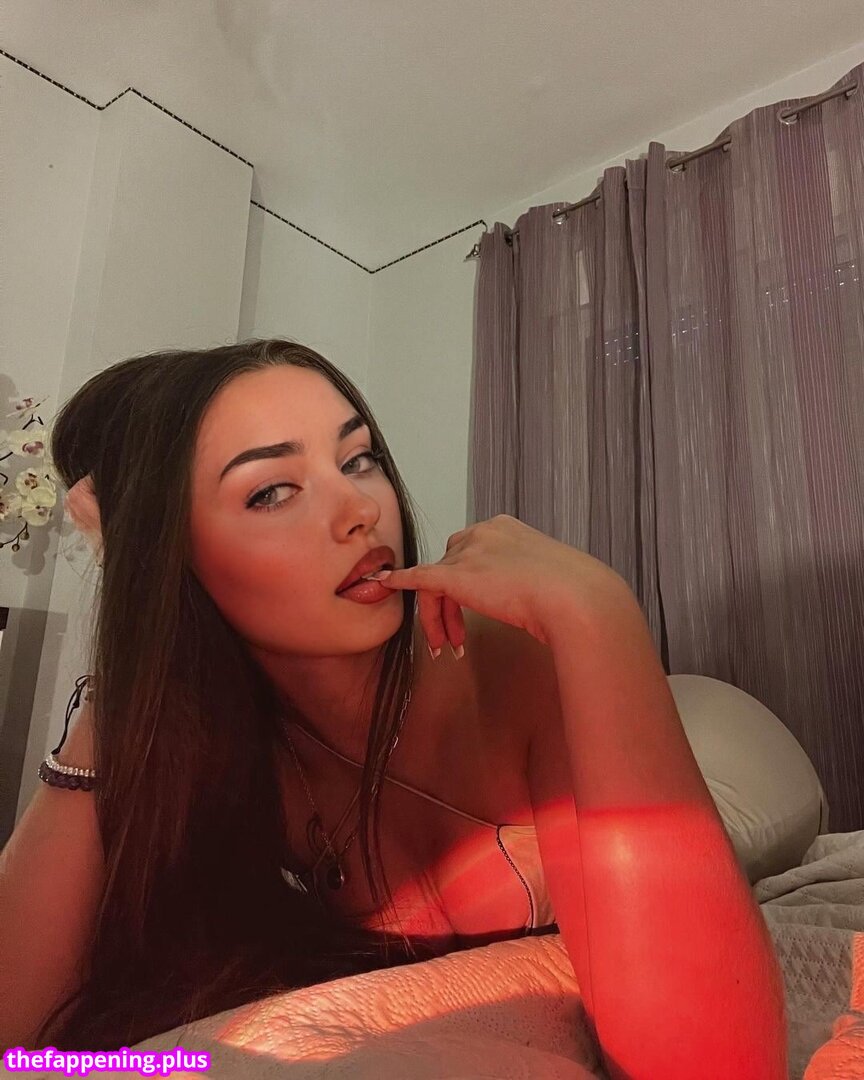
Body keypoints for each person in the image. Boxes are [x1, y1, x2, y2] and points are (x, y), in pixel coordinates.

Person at [0, 338, 787, 1077]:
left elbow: (718, 1065)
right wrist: (137, 628)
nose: (358, 509)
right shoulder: (221, 742)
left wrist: (598, 613)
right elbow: (15, 1034)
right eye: (272, 491)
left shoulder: (514, 664)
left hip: (730, 751)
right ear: (174, 561)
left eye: (359, 459)